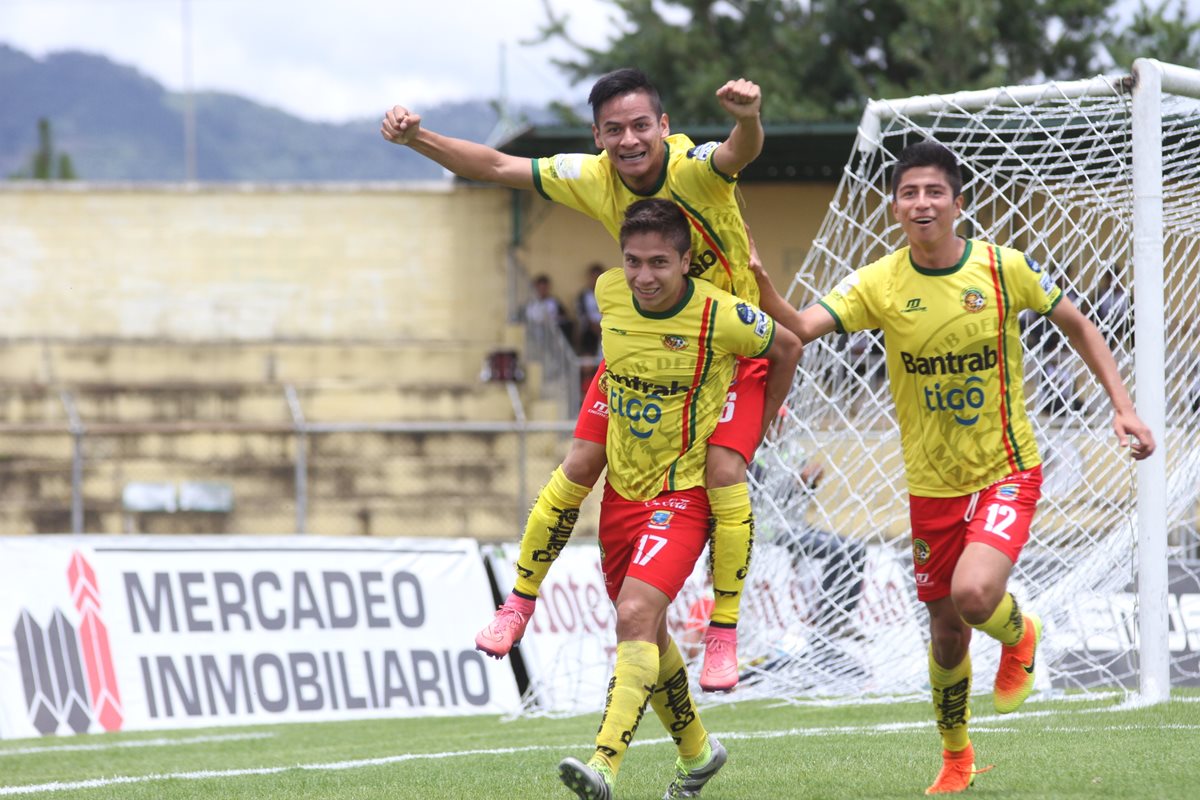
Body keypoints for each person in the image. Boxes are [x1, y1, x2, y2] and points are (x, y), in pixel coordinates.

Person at [750, 141, 1156, 795]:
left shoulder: (1003, 269)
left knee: (972, 598)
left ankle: (1021, 633)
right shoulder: (879, 282)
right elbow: (798, 324)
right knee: (943, 631)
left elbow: (1079, 324)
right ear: (893, 207)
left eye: (934, 192)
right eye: (909, 193)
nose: (921, 203)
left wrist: (1122, 407)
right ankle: (957, 758)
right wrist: (764, 285)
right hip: (930, 486)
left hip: (1007, 469)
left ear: (958, 204)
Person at [383, 68, 769, 690]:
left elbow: (736, 151)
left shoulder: (695, 167)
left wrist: (747, 117)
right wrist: (418, 140)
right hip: (642, 355)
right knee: (581, 463)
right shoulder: (591, 177)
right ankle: (519, 602)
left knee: (724, 471)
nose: (629, 140)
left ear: (664, 128)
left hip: (726, 355)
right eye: (614, 129)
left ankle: (724, 627)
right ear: (597, 137)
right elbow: (496, 166)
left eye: (642, 125)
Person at [557, 198, 802, 800]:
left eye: (659, 262)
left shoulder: (720, 307)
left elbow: (788, 345)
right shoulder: (612, 292)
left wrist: (756, 426)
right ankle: (697, 753)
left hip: (686, 489)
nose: (644, 275)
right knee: (646, 629)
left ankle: (605, 764)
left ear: (687, 262)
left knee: (636, 616)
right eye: (634, 262)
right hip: (627, 487)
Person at [523, 273, 574, 344]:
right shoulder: (530, 304)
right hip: (537, 331)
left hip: (552, 330)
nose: (542, 291)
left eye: (544, 288)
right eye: (540, 288)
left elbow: (564, 316)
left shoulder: (554, 302)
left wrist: (553, 319)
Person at [575, 262, 605, 359]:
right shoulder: (583, 295)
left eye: (598, 277)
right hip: (589, 330)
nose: (596, 280)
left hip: (606, 327)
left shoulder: (607, 294)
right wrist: (592, 325)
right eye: (594, 277)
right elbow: (581, 313)